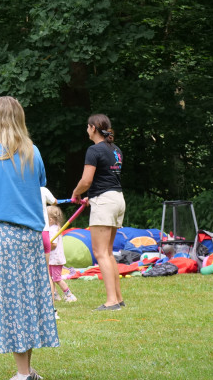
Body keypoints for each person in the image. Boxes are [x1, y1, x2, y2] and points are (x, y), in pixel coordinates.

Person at [0, 96, 59, 380]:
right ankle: (28, 370)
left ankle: (22, 374)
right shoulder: (33, 151)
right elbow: (37, 185)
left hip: (4, 236)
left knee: (13, 304)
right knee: (29, 300)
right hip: (32, 237)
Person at [70, 113, 125, 311]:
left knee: (100, 253)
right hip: (117, 199)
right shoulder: (115, 149)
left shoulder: (93, 150)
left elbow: (87, 180)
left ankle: (111, 301)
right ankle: (118, 298)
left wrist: (76, 194)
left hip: (105, 202)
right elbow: (107, 179)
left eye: (87, 127)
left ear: (93, 128)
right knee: (108, 252)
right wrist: (91, 197)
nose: (86, 130)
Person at [46, 205, 77, 302]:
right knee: (51, 277)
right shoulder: (54, 228)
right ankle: (54, 294)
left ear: (50, 220)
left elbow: (53, 245)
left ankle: (69, 294)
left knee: (57, 278)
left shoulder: (52, 230)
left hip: (55, 259)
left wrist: (44, 248)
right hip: (53, 259)